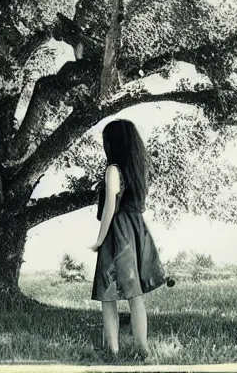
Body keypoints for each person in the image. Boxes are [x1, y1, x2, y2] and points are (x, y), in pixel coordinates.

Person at [89, 118, 168, 359]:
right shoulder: (138, 170)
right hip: (137, 230)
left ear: (113, 143)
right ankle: (142, 349)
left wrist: (99, 241)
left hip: (118, 232)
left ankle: (112, 351)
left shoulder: (113, 169)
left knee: (108, 294)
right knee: (135, 295)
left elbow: (110, 208)